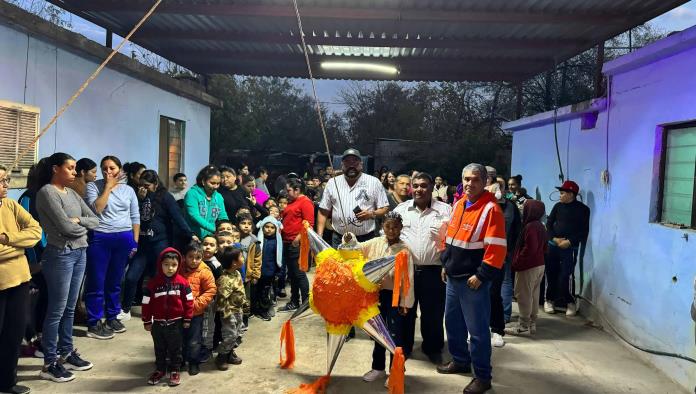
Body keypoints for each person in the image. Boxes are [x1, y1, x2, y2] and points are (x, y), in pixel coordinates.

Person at [439, 163, 507, 394]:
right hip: (453, 276)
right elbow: (450, 237)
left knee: (477, 331)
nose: (469, 183)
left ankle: (482, 376)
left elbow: (496, 248)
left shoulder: (491, 209)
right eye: (466, 179)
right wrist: (445, 264)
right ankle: (460, 360)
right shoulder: (458, 204)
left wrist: (482, 275)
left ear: (484, 181)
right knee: (453, 323)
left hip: (473, 281)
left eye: (475, 179)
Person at [35, 153, 99, 383]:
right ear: (56, 169)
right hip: (60, 255)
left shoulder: (71, 193)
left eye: (75, 169)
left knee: (71, 308)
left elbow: (95, 219)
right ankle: (49, 362)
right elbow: (64, 227)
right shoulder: (47, 193)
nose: (75, 172)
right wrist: (79, 225)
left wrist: (79, 221)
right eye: (70, 168)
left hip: (80, 252)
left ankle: (67, 351)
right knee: (57, 310)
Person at [347, 212, 414, 386]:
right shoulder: (376, 242)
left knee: (394, 335)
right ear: (382, 227)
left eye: (395, 227)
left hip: (395, 298)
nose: (391, 230)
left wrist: (405, 303)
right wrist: (350, 238)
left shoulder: (405, 250)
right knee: (377, 333)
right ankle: (378, 368)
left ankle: (396, 370)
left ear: (401, 228)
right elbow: (357, 248)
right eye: (387, 227)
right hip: (376, 296)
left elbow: (409, 280)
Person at [120, 170, 196, 321]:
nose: (143, 188)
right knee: (131, 277)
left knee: (159, 279)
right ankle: (126, 308)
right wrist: (141, 200)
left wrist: (190, 234)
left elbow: (177, 217)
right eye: (140, 185)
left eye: (147, 186)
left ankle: (157, 309)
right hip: (141, 244)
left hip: (160, 243)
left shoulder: (165, 197)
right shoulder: (136, 196)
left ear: (155, 184)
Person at [393, 172, 451, 364]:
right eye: (415, 185)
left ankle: (433, 348)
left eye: (424, 185)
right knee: (405, 311)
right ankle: (405, 347)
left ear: (432, 186)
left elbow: (452, 240)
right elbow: (390, 237)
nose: (419, 189)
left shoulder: (445, 211)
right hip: (406, 271)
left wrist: (448, 263)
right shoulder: (401, 210)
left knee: (433, 315)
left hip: (434, 271)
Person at [84, 156, 140, 339]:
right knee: (96, 280)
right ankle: (94, 322)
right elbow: (97, 209)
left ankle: (112, 316)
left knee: (115, 280)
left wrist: (135, 241)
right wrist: (108, 186)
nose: (108, 172)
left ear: (120, 169)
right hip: (100, 237)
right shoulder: (94, 186)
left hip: (124, 237)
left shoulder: (129, 190)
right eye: (104, 168)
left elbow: (135, 216)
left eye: (112, 168)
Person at [0, 165, 43, 394]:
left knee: (14, 333)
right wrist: (17, 248)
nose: (6, 185)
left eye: (7, 180)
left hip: (20, 278)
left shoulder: (11, 205)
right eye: (1, 181)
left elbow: (35, 231)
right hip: (1, 282)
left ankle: (7, 382)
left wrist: (7, 239)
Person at [141, 248, 193, 386]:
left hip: (176, 324)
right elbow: (146, 303)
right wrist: (146, 320)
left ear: (178, 265)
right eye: (166, 265)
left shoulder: (183, 283)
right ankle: (160, 370)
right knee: (159, 348)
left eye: (174, 265)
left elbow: (189, 301)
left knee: (176, 349)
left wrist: (187, 318)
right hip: (157, 324)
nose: (170, 268)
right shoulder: (152, 284)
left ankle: (175, 370)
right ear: (160, 264)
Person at [317, 148, 389, 247]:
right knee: (339, 263)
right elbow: (323, 211)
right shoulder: (332, 183)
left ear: (361, 164)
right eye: (347, 162)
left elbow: (384, 208)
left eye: (355, 162)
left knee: (365, 263)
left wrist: (371, 214)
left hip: (366, 239)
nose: (351, 165)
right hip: (339, 238)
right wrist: (319, 236)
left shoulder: (374, 182)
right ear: (342, 165)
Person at [544, 180, 590, 317]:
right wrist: (554, 239)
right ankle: (549, 300)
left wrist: (570, 241)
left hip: (570, 248)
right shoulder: (558, 206)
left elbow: (583, 231)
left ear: (571, 194)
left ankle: (570, 302)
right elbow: (549, 225)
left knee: (565, 276)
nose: (560, 195)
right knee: (551, 273)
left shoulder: (583, 210)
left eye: (562, 193)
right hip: (553, 246)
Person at [506, 200, 547, 335]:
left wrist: (517, 262)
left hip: (528, 266)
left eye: (525, 208)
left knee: (523, 295)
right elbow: (543, 247)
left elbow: (530, 248)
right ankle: (532, 322)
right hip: (539, 265)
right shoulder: (540, 225)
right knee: (533, 295)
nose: (523, 210)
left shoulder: (530, 227)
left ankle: (523, 325)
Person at [489, 186, 521, 348]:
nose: (497, 190)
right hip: (480, 257)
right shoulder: (482, 205)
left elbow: (516, 230)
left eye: (500, 186)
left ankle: (498, 328)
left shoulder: (510, 207)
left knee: (496, 292)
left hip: (502, 256)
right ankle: (478, 328)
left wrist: (510, 251)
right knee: (478, 295)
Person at [179, 241, 216, 376]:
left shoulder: (205, 271)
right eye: (190, 257)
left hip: (196, 313)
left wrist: (197, 304)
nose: (194, 261)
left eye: (198, 257)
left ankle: (194, 362)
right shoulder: (179, 268)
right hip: (179, 312)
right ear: (184, 256)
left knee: (194, 339)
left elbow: (211, 290)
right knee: (179, 337)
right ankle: (181, 360)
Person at [277, 179, 314, 312]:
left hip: (295, 243)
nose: (287, 193)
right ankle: (294, 301)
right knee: (292, 274)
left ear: (297, 190)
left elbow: (309, 223)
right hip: (287, 241)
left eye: (289, 190)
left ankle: (305, 303)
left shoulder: (305, 202)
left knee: (299, 274)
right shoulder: (293, 201)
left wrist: (297, 239)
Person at [215, 247, 247, 370]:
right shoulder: (224, 279)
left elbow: (239, 290)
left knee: (238, 333)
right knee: (230, 335)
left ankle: (229, 353)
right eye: (241, 257)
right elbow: (222, 300)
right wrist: (228, 316)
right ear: (234, 262)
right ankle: (221, 356)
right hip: (229, 314)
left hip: (238, 310)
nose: (243, 259)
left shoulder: (237, 273)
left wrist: (243, 304)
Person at [184, 165, 228, 239]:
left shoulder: (218, 197)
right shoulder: (192, 194)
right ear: (203, 181)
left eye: (218, 183)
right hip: (192, 236)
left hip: (210, 238)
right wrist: (214, 230)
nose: (216, 186)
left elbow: (223, 216)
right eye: (212, 183)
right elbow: (194, 216)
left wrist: (226, 227)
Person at [254, 216, 282, 320]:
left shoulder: (277, 242)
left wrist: (278, 272)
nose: (269, 229)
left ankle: (264, 309)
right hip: (258, 272)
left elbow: (279, 258)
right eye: (266, 226)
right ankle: (257, 309)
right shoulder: (258, 241)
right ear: (262, 227)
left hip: (270, 272)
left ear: (276, 229)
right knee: (258, 291)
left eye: (272, 227)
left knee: (266, 292)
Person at [237, 213, 261, 325]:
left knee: (246, 299)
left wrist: (255, 275)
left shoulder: (254, 242)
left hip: (246, 276)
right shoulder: (234, 238)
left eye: (249, 224)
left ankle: (245, 319)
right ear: (237, 225)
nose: (246, 226)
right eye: (243, 223)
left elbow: (257, 259)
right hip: (234, 275)